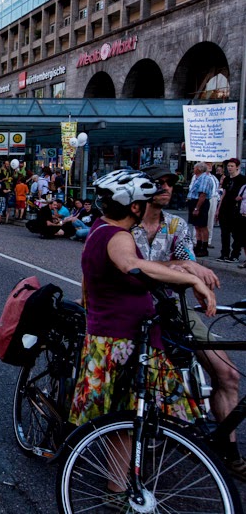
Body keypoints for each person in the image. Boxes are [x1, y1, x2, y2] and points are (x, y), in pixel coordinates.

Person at [68, 170, 215, 491]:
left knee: (123, 418)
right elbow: (130, 265)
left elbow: (135, 270)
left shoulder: (101, 228)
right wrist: (191, 278)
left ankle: (118, 485)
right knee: (129, 415)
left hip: (114, 337)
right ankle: (122, 484)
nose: (149, 205)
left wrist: (182, 267)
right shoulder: (118, 237)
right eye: (144, 201)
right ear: (134, 207)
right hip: (124, 341)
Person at [135, 165, 245, 479]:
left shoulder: (176, 224)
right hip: (134, 307)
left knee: (228, 374)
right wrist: (180, 268)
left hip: (173, 306)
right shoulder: (127, 226)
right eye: (159, 183)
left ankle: (229, 451)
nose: (166, 188)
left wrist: (192, 274)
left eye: (170, 183)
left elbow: (187, 261)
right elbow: (133, 267)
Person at [217, 158, 245, 263]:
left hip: (236, 209)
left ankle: (235, 254)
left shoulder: (242, 179)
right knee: (224, 233)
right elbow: (224, 194)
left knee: (236, 233)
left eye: (232, 166)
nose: (230, 168)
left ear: (237, 167)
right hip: (225, 208)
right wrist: (218, 209)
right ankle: (224, 253)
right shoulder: (227, 179)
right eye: (228, 166)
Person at [186, 162, 212, 257]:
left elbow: (203, 194)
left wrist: (197, 208)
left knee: (202, 226)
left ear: (199, 169)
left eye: (194, 168)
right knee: (197, 226)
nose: (193, 169)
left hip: (200, 203)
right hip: (194, 201)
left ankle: (204, 248)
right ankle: (198, 245)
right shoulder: (197, 178)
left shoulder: (205, 178)